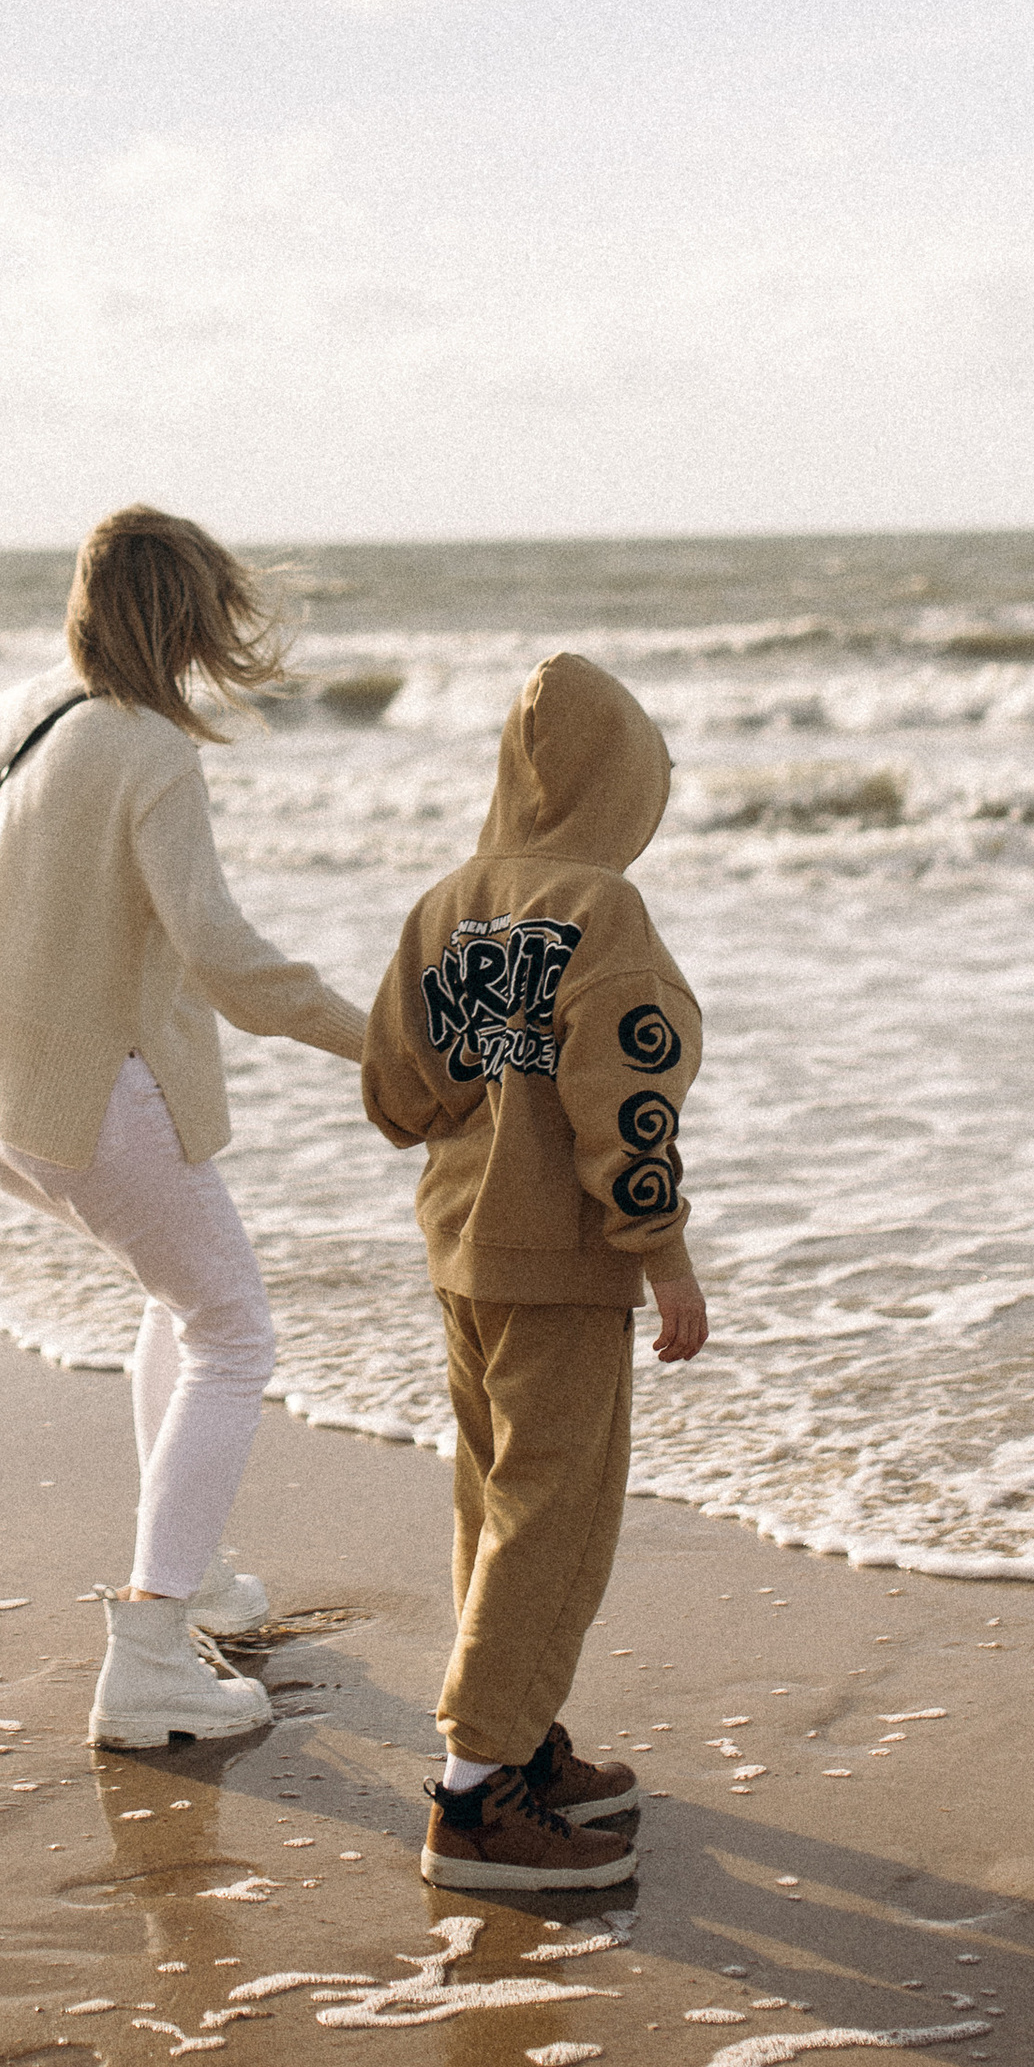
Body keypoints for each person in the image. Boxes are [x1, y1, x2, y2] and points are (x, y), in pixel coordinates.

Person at [0, 505, 369, 1751]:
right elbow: (228, 964)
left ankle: (192, 1576)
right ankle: (147, 1658)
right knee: (233, 1331)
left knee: (179, 1303)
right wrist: (385, 1045)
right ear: (186, 620)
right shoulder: (149, 751)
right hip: (98, 1107)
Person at [360, 650, 709, 1895]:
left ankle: (518, 1744)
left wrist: (477, 1106)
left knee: (491, 1501)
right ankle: (475, 1800)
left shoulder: (447, 902)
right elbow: (627, 1100)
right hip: (560, 1262)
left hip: (459, 1247)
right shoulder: (601, 911)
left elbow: (394, 1089)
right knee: (553, 1515)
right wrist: (664, 1256)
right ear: (623, 787)